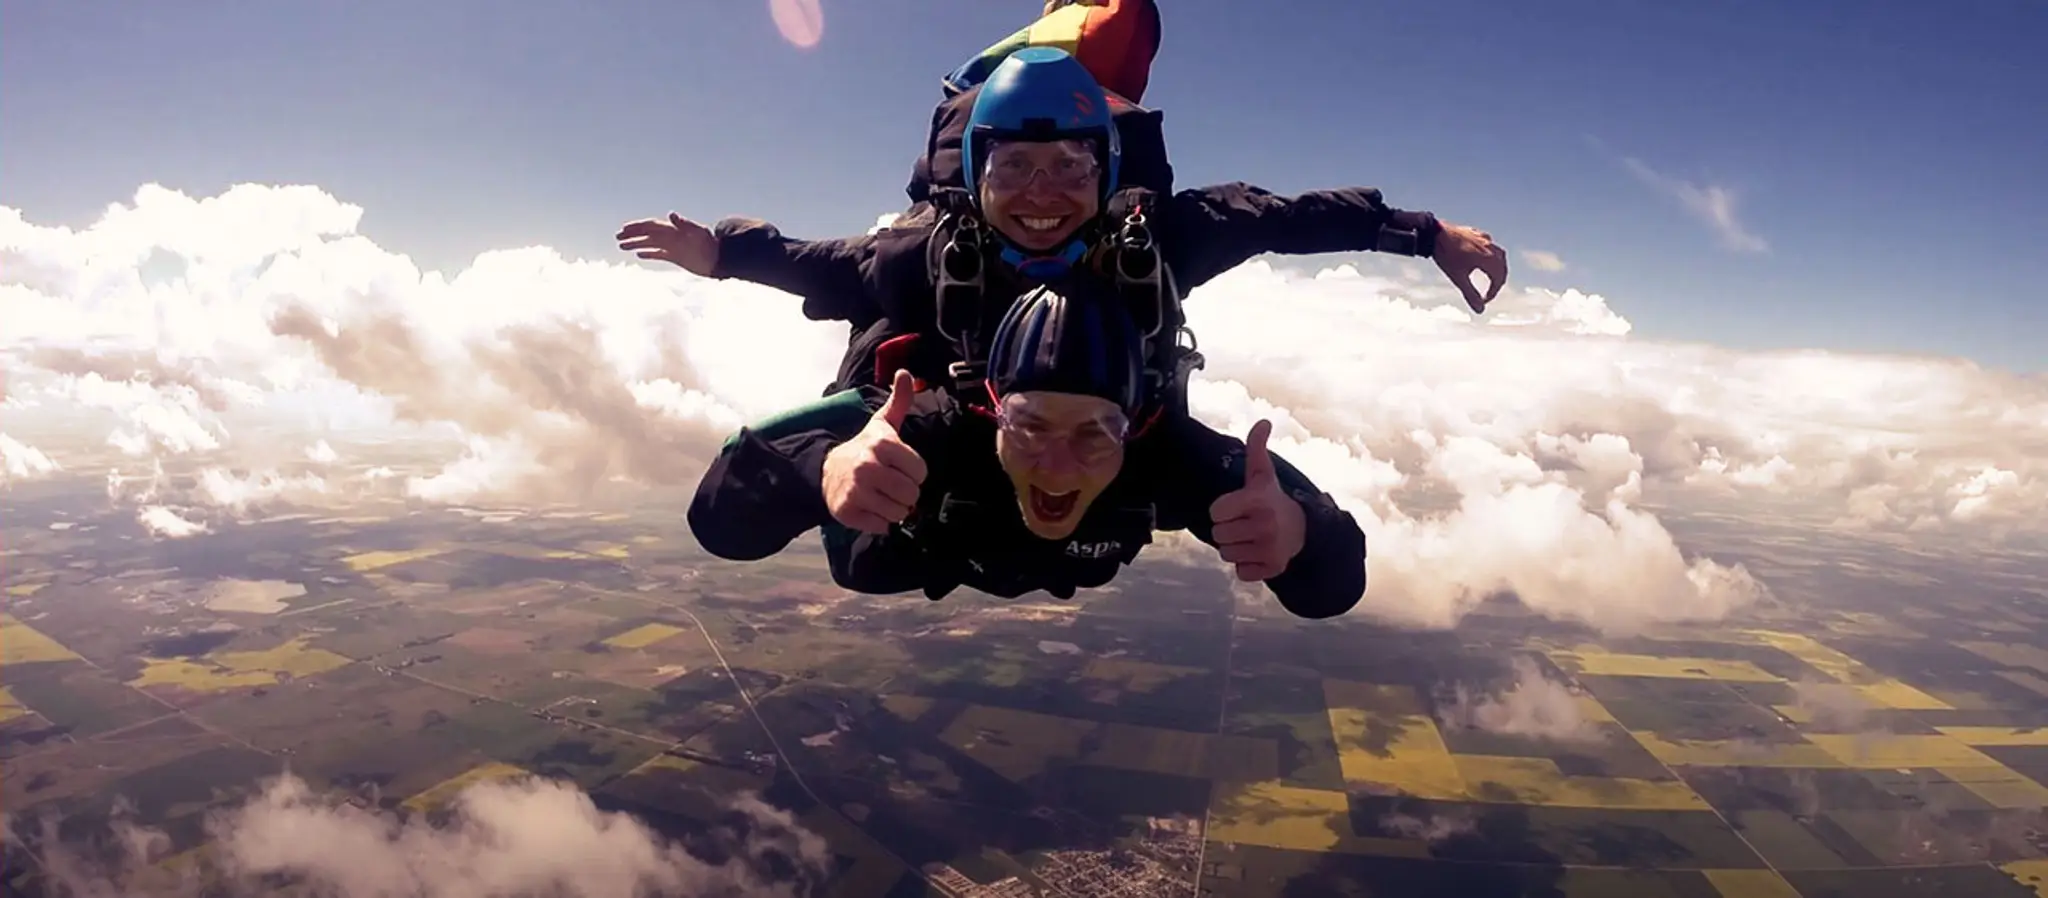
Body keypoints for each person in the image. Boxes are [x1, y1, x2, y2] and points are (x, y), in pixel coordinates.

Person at [687, 283, 1367, 619]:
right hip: (900, 549)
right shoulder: (928, 431)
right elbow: (719, 518)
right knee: (863, 560)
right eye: (1031, 423)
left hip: (977, 551)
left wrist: (1299, 531)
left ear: (1135, 423)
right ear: (990, 409)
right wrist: (825, 468)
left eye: (1095, 432)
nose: (1058, 463)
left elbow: (1333, 585)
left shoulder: (1169, 459)